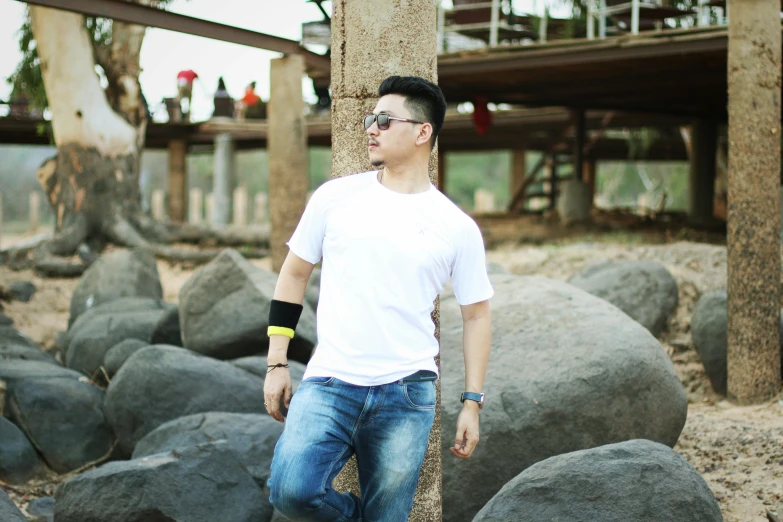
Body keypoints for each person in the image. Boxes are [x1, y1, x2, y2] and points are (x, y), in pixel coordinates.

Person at [265, 75, 494, 521]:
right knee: (290, 490)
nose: (371, 127)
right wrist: (277, 362)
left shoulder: (456, 226)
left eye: (384, 120)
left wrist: (472, 402)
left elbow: (477, 317)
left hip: (406, 395)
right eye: (371, 118)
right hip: (329, 383)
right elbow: (293, 275)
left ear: (422, 132)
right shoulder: (335, 198)